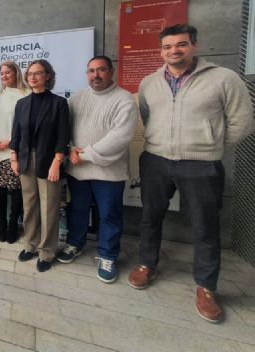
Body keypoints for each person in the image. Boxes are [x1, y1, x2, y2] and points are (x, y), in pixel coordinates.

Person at [128, 24, 254, 323]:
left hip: (201, 164)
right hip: (156, 160)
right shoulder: (149, 82)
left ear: (194, 46)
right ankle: (147, 264)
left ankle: (206, 287)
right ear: (161, 51)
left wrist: (210, 145)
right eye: (168, 46)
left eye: (181, 44)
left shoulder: (224, 78)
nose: (174, 51)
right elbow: (146, 116)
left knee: (205, 227)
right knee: (150, 218)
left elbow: (243, 120)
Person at [57, 56, 138, 283]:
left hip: (109, 172)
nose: (96, 75)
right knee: (77, 210)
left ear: (111, 71)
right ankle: (75, 243)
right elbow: (65, 129)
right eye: (91, 71)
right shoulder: (77, 98)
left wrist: (84, 155)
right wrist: (70, 149)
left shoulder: (124, 99)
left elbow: (120, 137)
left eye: (101, 70)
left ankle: (108, 256)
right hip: (78, 170)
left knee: (109, 215)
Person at [10, 59, 70, 272]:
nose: (33, 77)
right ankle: (31, 244)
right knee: (29, 206)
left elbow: (63, 136)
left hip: (49, 161)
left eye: (38, 73)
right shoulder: (22, 104)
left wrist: (57, 163)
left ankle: (46, 252)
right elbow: (16, 134)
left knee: (49, 209)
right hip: (25, 160)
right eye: (30, 73)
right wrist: (14, 158)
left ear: (48, 76)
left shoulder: (59, 103)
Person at [0, 61, 28, 243]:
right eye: (2, 73)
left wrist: (11, 142)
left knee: (15, 190)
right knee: (0, 189)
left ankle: (13, 223)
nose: (4, 76)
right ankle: (2, 223)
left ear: (16, 73)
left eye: (8, 72)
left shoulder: (26, 93)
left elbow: (27, 125)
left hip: (15, 150)